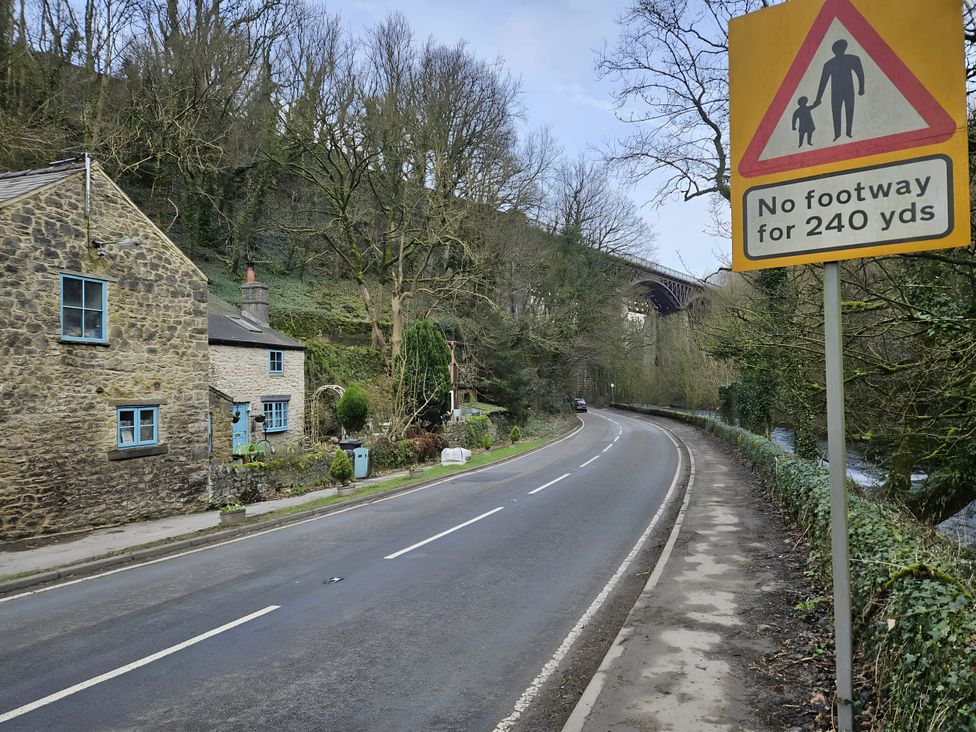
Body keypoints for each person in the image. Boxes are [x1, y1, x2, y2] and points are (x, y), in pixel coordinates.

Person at [813, 38, 865, 141]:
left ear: (844, 48)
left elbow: (860, 73)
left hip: (848, 91)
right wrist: (818, 99)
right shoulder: (829, 64)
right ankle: (837, 134)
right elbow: (823, 83)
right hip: (836, 93)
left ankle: (848, 132)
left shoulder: (852, 59)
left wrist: (861, 88)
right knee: (836, 112)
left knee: (849, 110)